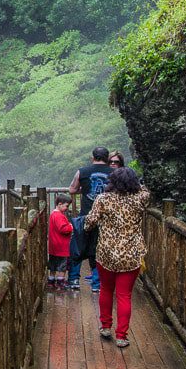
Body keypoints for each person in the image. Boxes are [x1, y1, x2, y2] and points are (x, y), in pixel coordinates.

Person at [84, 167, 149, 347]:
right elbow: (146, 190)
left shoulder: (103, 199)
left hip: (106, 253)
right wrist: (138, 185)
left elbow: (89, 223)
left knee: (106, 289)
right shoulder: (140, 199)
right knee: (124, 295)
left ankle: (105, 327)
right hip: (131, 254)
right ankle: (121, 336)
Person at [67, 147, 114, 292]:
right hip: (105, 217)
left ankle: (74, 280)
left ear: (92, 157)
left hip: (85, 215)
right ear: (107, 158)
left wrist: (84, 189)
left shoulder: (82, 171)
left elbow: (72, 190)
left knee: (77, 248)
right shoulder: (114, 173)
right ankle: (97, 284)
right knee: (99, 250)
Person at [47, 193, 73, 288]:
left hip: (54, 246)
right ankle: (60, 281)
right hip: (61, 246)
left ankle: (51, 280)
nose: (67, 208)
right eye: (66, 206)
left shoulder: (53, 214)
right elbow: (63, 229)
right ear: (60, 204)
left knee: (53, 265)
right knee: (62, 266)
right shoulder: (59, 216)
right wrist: (70, 227)